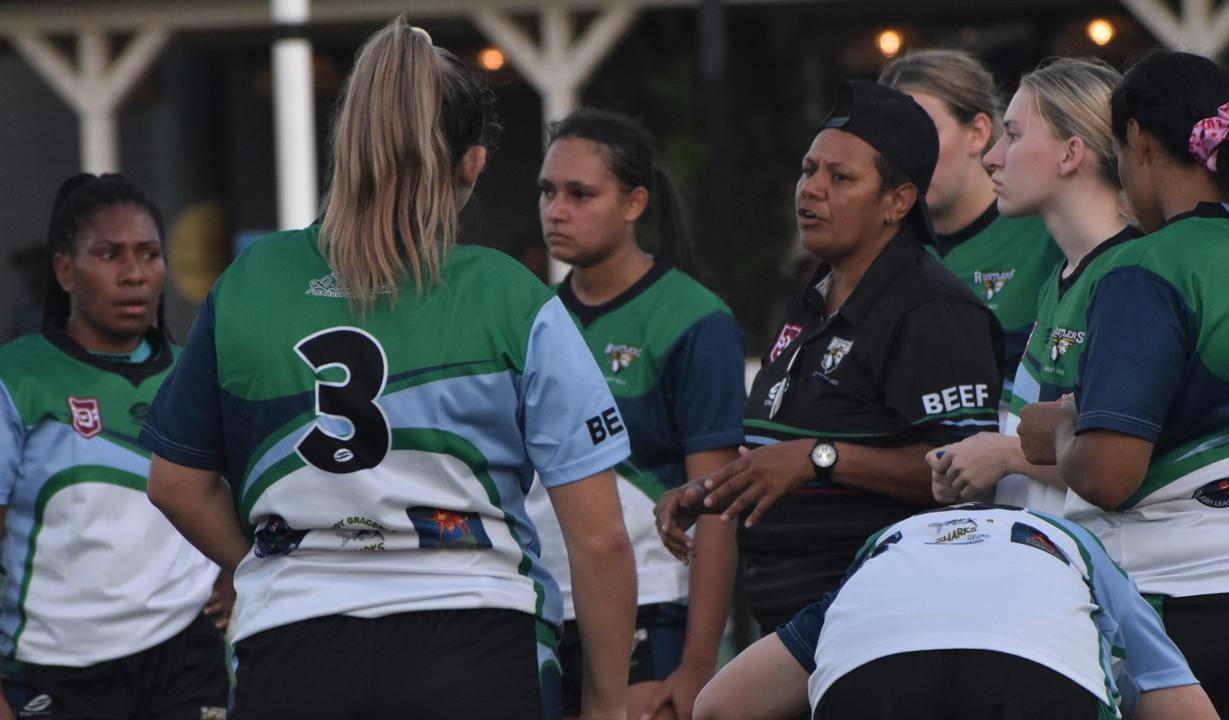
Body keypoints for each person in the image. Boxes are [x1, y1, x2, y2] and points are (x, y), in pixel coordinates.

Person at [141, 19, 636, 719]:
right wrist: (607, 704)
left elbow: (175, 485)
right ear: (472, 164)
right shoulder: (511, 295)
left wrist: (281, 558)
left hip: (293, 646)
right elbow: (600, 538)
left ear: (346, 148)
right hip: (476, 639)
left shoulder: (250, 282)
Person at [656, 79, 1003, 632]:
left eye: (839, 178)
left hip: (874, 610)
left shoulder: (931, 308)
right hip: (788, 610)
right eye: (808, 169)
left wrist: (819, 456)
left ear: (898, 202)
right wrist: (715, 491)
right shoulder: (813, 296)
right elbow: (779, 454)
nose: (810, 189)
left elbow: (967, 469)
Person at [1017, 50, 1229, 718]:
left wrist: (1062, 430)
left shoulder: (1149, 265)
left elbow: (1107, 474)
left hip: (1182, 603)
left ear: (1136, 139)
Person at [527, 108, 742, 720]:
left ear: (634, 202)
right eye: (547, 191)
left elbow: (718, 507)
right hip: (537, 609)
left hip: (652, 606)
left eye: (579, 194)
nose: (556, 210)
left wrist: (697, 666)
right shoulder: (530, 316)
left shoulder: (694, 320)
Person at [0, 173, 230, 719]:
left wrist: (234, 573)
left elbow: (242, 490)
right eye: (109, 254)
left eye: (149, 254)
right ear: (64, 270)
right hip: (54, 669)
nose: (133, 274)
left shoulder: (194, 371)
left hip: (185, 657)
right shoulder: (17, 377)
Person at [690, 503, 1219, 720]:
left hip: (873, 674)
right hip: (1035, 676)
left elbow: (719, 705)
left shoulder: (884, 557)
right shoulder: (1078, 545)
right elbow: (1186, 708)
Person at [926, 58, 1136, 513]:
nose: (992, 157)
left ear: (1070, 153)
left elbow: (1135, 457)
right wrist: (980, 474)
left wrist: (1004, 456)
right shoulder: (1062, 277)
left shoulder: (1134, 276)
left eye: (1014, 135)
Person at [880, 49, 1062, 408]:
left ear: (978, 132)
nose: (902, 155)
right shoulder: (880, 251)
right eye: (887, 138)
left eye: (921, 131)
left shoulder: (1049, 231)